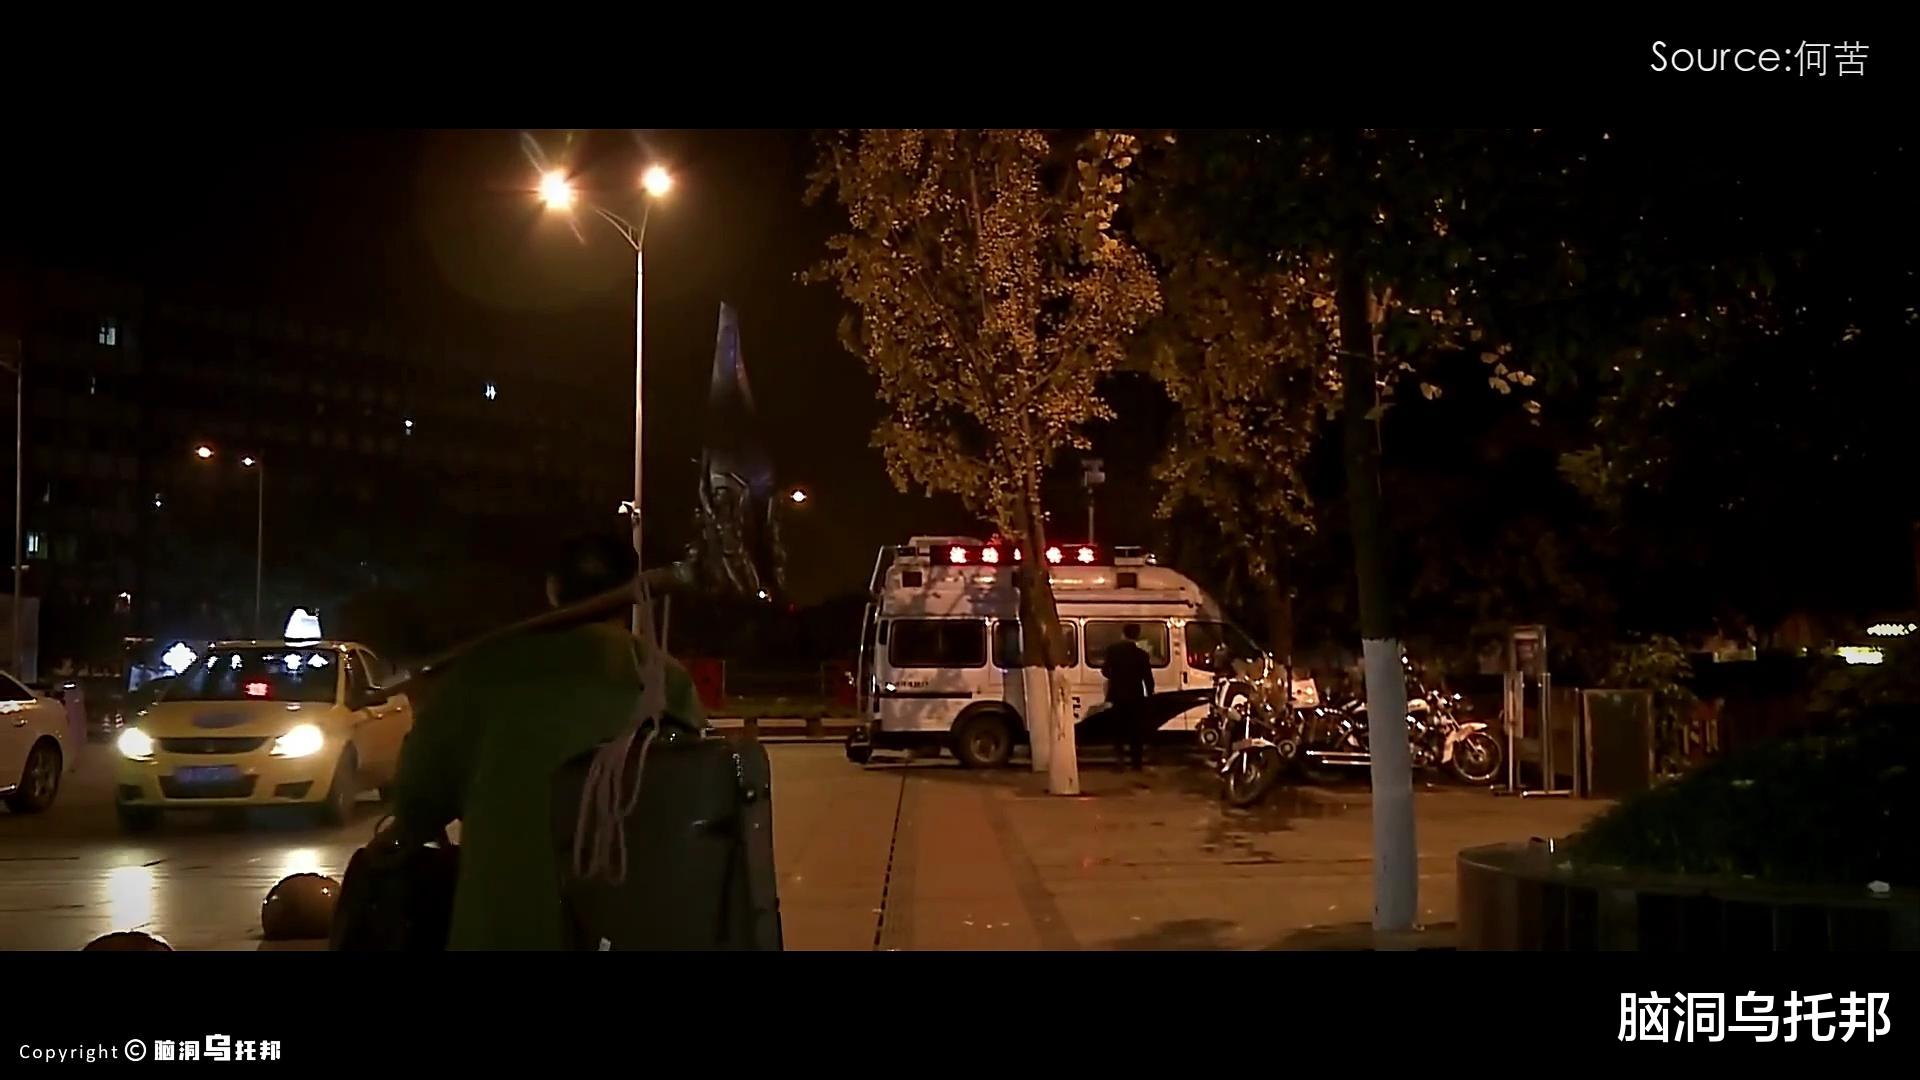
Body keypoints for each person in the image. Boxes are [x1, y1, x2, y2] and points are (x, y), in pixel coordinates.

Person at [388, 535, 705, 950]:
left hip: (501, 930)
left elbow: (416, 802)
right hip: (628, 928)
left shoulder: (481, 674)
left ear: (553, 589)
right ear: (630, 594)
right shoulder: (665, 681)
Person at [1101, 623, 1155, 771]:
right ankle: (1136, 764)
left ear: (1123, 634)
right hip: (1136, 696)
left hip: (1117, 695)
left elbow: (1104, 670)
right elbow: (1148, 678)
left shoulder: (1113, 651)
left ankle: (1120, 762)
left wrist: (1115, 677)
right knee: (1135, 732)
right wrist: (1150, 694)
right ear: (1137, 636)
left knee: (1118, 730)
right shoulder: (1142, 655)